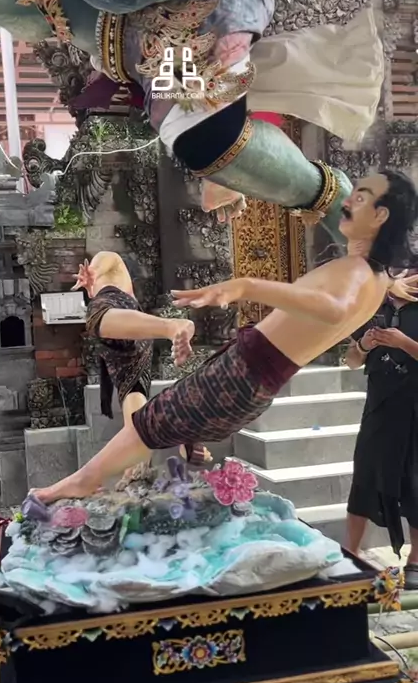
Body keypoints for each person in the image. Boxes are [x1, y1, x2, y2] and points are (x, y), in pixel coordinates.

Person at [30, 169, 418, 504]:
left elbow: (335, 307)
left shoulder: (357, 273)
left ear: (380, 216)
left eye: (361, 197)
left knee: (147, 423)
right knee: (160, 415)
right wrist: (390, 285)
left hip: (241, 375)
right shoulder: (375, 276)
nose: (347, 201)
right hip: (251, 378)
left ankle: (85, 480)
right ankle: (188, 436)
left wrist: (246, 286)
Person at [0, 0, 383, 240]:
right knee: (197, 129)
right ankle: (280, 177)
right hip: (141, 40)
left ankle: (333, 200)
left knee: (200, 131)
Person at [75, 251, 209, 464]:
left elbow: (106, 259)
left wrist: (93, 271)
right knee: (133, 397)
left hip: (118, 318)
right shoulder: (108, 291)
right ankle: (147, 456)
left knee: (95, 318)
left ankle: (172, 326)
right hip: (129, 343)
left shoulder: (109, 271)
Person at [344, 278, 418, 580]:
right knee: (364, 477)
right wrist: (364, 346)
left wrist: (403, 343)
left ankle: (416, 561)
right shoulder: (372, 307)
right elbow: (351, 361)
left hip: (415, 408)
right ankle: (350, 553)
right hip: (379, 408)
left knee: (415, 483)